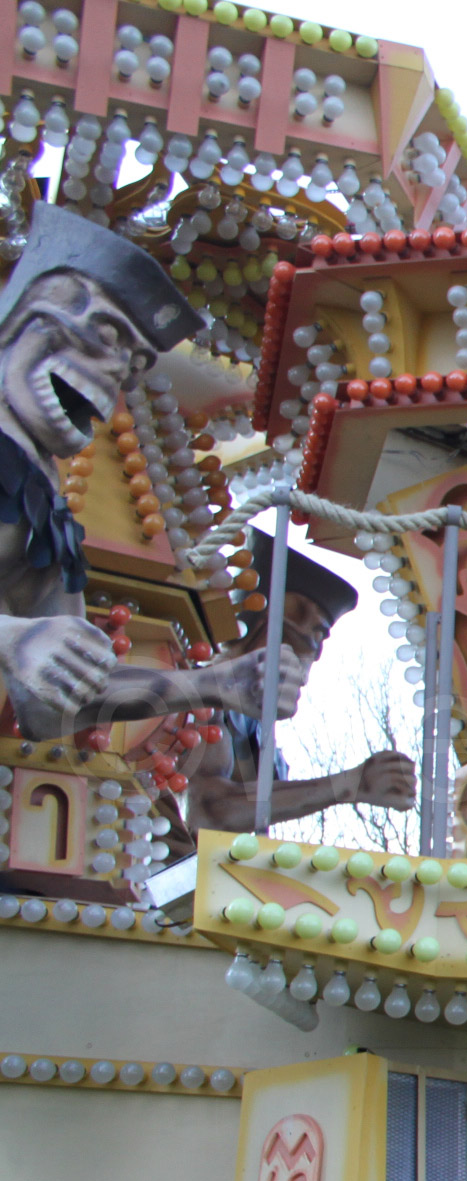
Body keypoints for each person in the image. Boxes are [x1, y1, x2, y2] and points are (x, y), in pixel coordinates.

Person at [0, 203, 301, 738]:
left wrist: (215, 683)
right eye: (107, 335)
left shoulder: (40, 504)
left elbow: (53, 707)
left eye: (134, 363)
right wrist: (12, 641)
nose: (118, 370)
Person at [182, 528, 415, 832]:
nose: (306, 661)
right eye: (299, 632)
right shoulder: (202, 698)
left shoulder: (260, 737)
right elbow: (206, 810)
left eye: (316, 639)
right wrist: (348, 784)